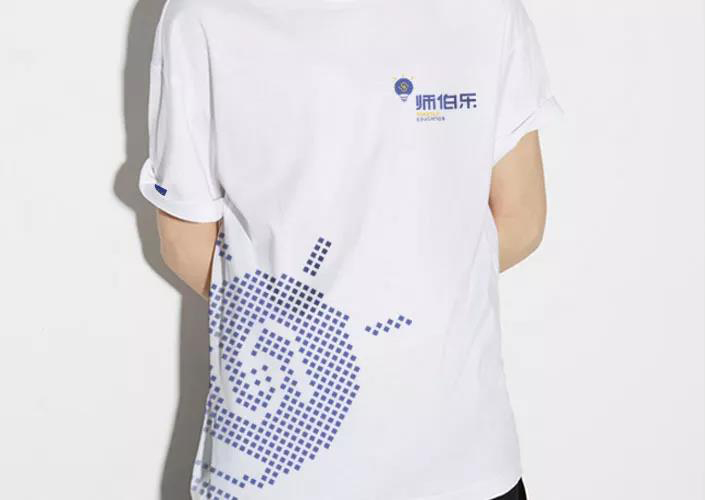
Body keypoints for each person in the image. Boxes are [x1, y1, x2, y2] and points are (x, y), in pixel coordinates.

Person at [137, 0, 564, 497]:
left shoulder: (486, 12)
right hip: (282, 470)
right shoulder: (205, 14)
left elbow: (521, 218)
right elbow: (185, 242)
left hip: (464, 463)